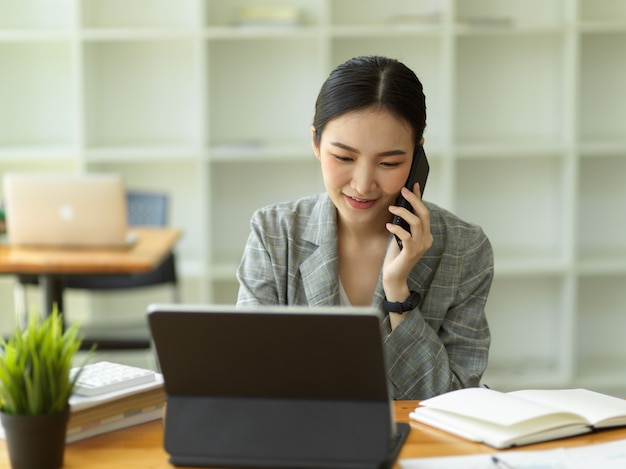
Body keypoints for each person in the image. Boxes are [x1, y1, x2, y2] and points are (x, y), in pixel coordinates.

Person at [236, 55, 494, 400]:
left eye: (389, 163)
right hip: (298, 442)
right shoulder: (274, 233)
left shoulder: (464, 248)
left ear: (417, 157)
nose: (362, 185)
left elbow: (454, 398)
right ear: (315, 143)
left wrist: (398, 292)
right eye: (343, 158)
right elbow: (246, 378)